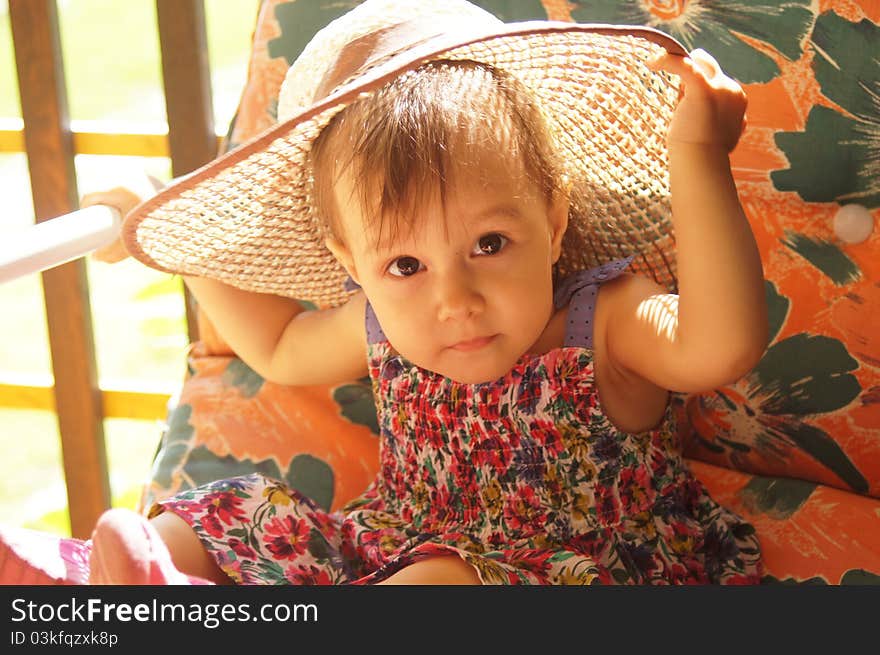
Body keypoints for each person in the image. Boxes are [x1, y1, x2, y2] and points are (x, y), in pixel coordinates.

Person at [1, 0, 767, 585]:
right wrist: (160, 233)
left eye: (489, 245)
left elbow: (720, 343)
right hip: (391, 549)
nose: (455, 297)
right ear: (354, 262)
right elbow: (274, 346)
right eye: (405, 265)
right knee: (233, 509)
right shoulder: (379, 322)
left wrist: (698, 155)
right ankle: (100, 588)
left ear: (554, 219)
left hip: (574, 571)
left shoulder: (602, 319)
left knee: (432, 582)